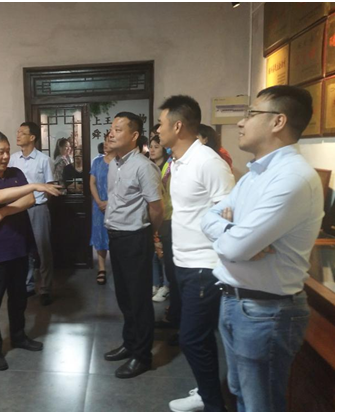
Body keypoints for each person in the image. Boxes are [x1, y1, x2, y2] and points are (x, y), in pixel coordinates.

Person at [201, 85, 323, 412]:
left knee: (260, 404)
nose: (241, 122)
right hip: (237, 301)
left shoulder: (292, 178)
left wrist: (234, 238)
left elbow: (234, 247)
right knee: (240, 394)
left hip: (267, 312)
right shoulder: (255, 174)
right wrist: (234, 233)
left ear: (278, 121)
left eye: (251, 113)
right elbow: (208, 218)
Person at [157, 95, 235, 412]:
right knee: (197, 338)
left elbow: (229, 213)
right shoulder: (178, 161)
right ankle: (207, 392)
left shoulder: (208, 161)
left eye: (161, 124)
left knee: (191, 339)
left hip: (205, 265)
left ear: (178, 126)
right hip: (183, 262)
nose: (157, 130)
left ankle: (213, 403)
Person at [0, 131, 61, 371]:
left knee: (19, 299)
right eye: (1, 152)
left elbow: (29, 200)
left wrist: (2, 212)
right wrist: (35, 185)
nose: (6, 156)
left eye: (8, 151)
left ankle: (18, 336)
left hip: (20, 247)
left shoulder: (16, 173)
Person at [104, 112, 164, 379]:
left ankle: (142, 356)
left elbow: (156, 208)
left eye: (118, 129)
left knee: (139, 299)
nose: (111, 133)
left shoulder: (144, 166)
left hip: (135, 238)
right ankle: (129, 343)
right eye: (111, 129)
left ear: (134, 135)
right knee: (124, 297)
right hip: (116, 236)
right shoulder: (113, 164)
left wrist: (150, 234)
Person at [9, 122, 56, 306]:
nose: (18, 135)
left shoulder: (44, 160)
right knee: (23, 249)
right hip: (18, 209)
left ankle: (45, 289)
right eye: (18, 132)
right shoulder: (13, 159)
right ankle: (28, 286)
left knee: (43, 249)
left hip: (38, 208)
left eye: (22, 132)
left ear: (32, 137)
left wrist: (40, 202)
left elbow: (50, 187)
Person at [89, 134, 115, 285]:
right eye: (105, 141)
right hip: (98, 205)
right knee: (99, 235)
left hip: (116, 205)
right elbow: (92, 183)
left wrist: (110, 202)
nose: (106, 143)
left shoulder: (120, 162)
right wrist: (99, 201)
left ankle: (117, 267)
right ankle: (101, 268)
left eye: (109, 141)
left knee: (115, 235)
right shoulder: (97, 162)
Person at [149, 131, 171, 302]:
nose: (152, 150)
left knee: (163, 253)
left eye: (156, 147)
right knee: (153, 252)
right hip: (152, 214)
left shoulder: (169, 167)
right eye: (150, 147)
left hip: (166, 214)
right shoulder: (149, 166)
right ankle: (155, 283)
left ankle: (167, 286)